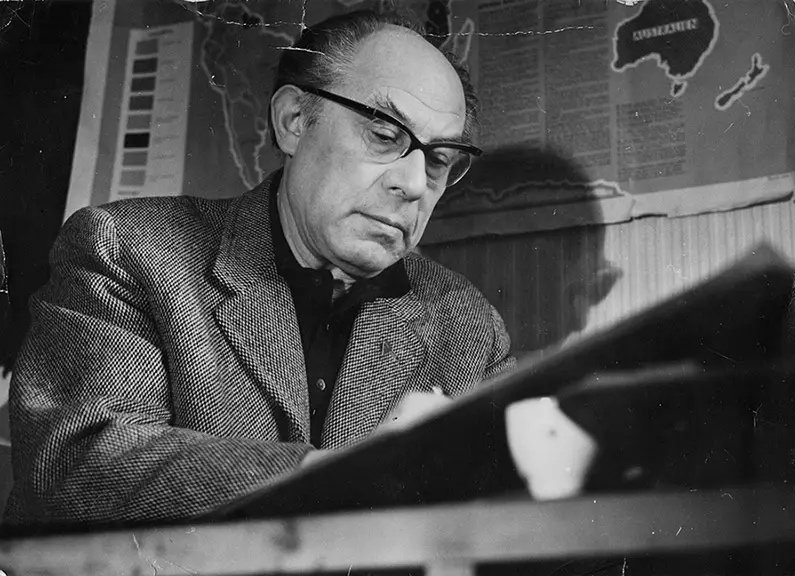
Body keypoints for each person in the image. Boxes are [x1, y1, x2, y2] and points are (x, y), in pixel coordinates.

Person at [4, 10, 514, 526]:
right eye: (383, 135)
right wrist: (343, 481)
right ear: (293, 121)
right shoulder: (127, 249)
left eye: (438, 160)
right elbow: (76, 467)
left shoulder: (470, 327)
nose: (415, 183)